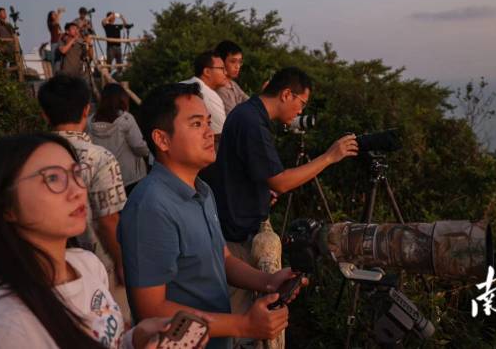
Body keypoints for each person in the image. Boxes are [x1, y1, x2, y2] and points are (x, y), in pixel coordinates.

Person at [0, 133, 197, 349]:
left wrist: (135, 338)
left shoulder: (86, 265)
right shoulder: (2, 332)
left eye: (76, 174)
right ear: (6, 206)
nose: (77, 191)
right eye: (53, 178)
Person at [118, 83, 306, 349]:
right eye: (196, 124)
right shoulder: (151, 207)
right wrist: (242, 325)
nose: (210, 132)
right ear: (162, 139)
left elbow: (223, 258)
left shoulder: (202, 190)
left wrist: (267, 281)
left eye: (208, 121)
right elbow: (152, 309)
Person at [204, 67, 358, 315]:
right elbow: (281, 182)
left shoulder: (250, 115)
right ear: (287, 94)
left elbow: (252, 174)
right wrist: (330, 157)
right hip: (234, 237)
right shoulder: (251, 122)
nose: (301, 111)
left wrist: (263, 194)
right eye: (302, 103)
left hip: (235, 226)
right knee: (237, 321)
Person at [38, 74, 131, 323]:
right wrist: (122, 261)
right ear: (85, 110)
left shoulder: (32, 157)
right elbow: (108, 220)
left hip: (46, 267)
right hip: (98, 264)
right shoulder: (100, 158)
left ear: (44, 115)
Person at [90, 83, 150, 194]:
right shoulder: (126, 119)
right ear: (123, 99)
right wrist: (149, 150)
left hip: (105, 178)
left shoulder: (90, 122)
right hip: (131, 179)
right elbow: (138, 146)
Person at [179, 50, 228, 140]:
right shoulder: (208, 95)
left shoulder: (183, 85)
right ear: (207, 72)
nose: (226, 73)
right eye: (222, 69)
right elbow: (223, 134)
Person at [214, 40, 249, 115]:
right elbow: (235, 117)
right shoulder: (220, 89)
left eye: (240, 62)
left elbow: (251, 103)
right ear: (221, 62)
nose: (237, 66)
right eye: (233, 61)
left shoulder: (233, 84)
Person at [47, 9, 64, 73]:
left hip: (59, 43)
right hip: (54, 43)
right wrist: (59, 13)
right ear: (50, 17)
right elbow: (56, 21)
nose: (55, 15)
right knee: (55, 60)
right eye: (54, 14)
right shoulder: (51, 23)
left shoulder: (57, 24)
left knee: (60, 60)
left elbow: (60, 33)